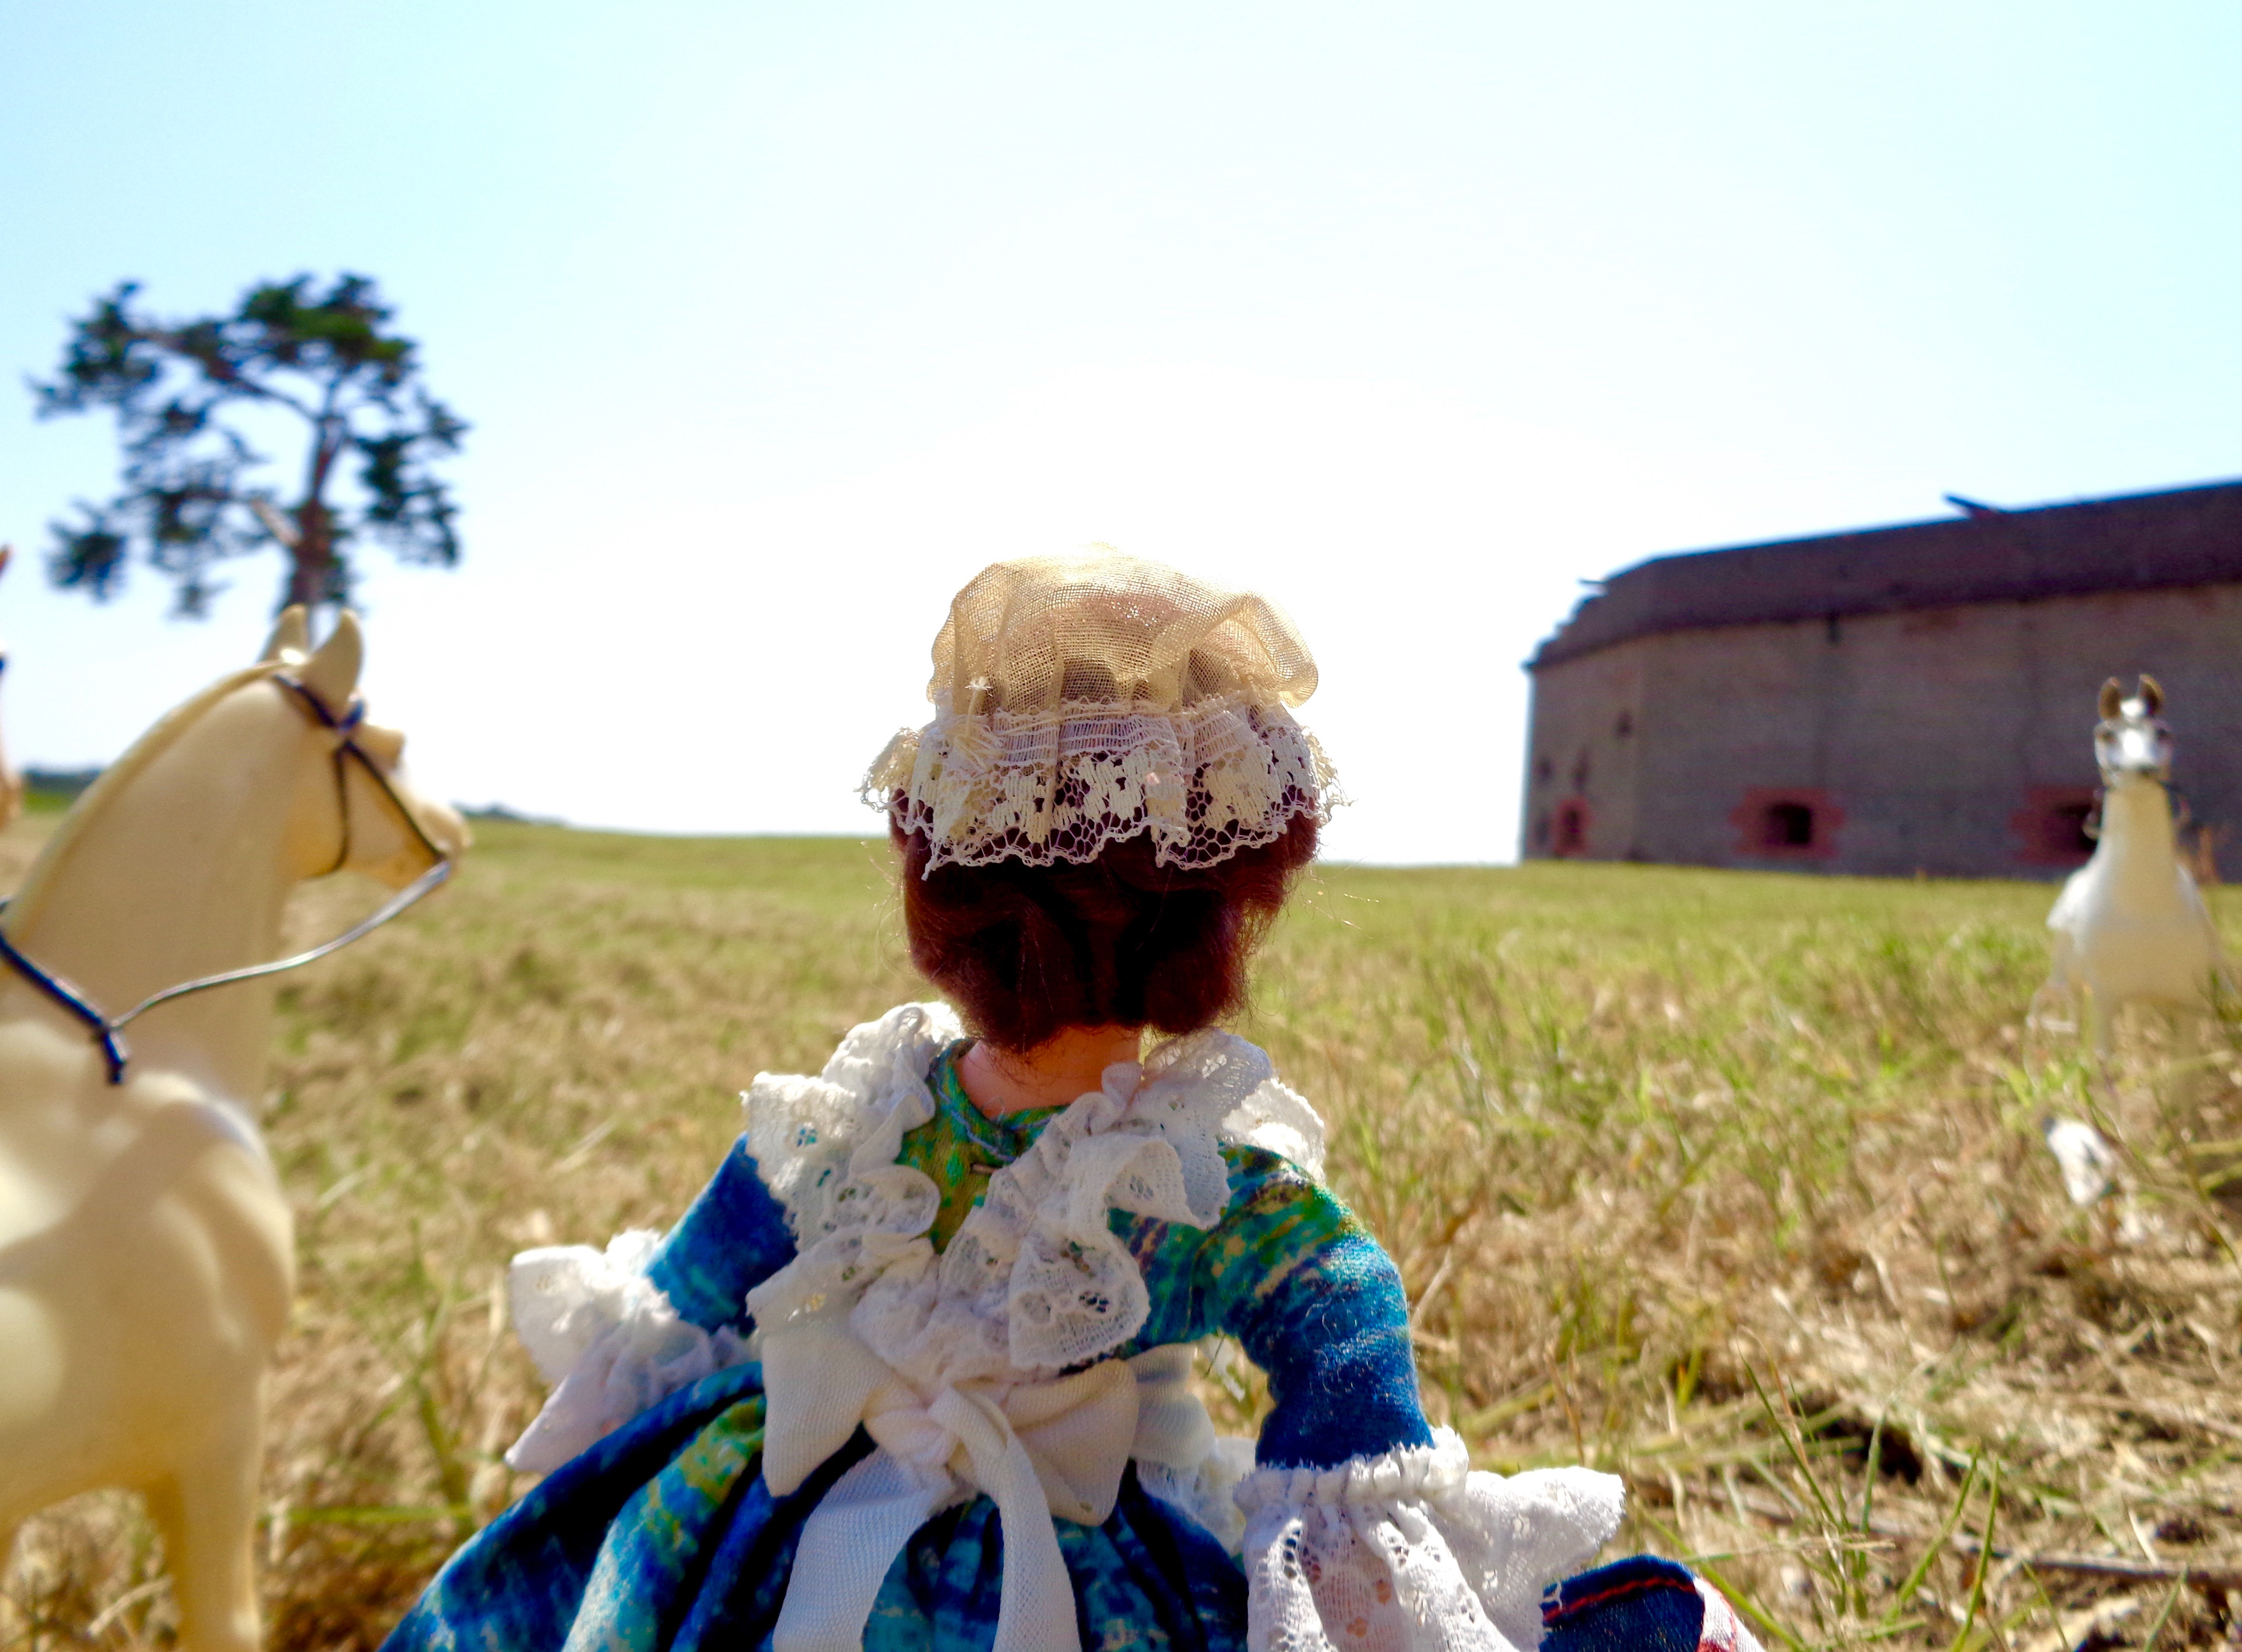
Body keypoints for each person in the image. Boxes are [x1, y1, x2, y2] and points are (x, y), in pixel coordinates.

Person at [383, 548, 1757, 1652]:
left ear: (938, 894)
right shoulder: (1218, 1196)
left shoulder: (839, 1128)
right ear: (1222, 916)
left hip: (768, 1518)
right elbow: (1353, 1430)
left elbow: (674, 1319)